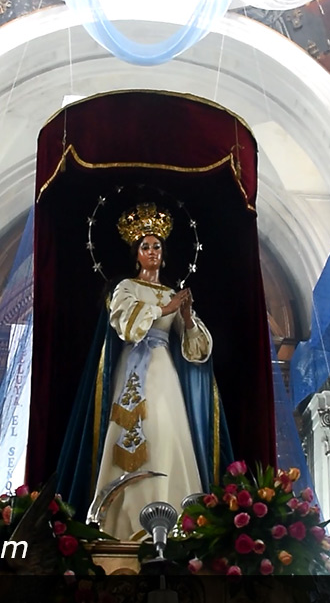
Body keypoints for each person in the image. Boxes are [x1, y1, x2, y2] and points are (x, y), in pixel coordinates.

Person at [55, 202, 233, 540]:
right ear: (137, 254)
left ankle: (175, 520)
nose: (152, 252)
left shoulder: (172, 293)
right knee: (133, 431)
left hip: (164, 370)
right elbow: (125, 323)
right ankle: (119, 525)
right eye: (146, 247)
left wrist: (187, 317)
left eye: (157, 247)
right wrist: (165, 309)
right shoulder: (126, 288)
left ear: (163, 256)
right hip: (133, 370)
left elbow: (196, 350)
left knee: (166, 431)